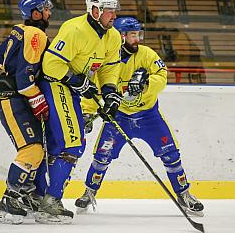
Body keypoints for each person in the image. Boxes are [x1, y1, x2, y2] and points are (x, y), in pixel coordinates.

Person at [75, 17, 204, 217]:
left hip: (149, 117)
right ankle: (89, 191)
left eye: (138, 34)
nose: (137, 39)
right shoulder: (107, 59)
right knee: (101, 157)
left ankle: (184, 193)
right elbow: (97, 90)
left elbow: (162, 76)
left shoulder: (146, 54)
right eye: (133, 35)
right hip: (119, 118)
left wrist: (146, 84)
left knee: (171, 156)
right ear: (121, 36)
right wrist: (87, 113)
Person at [33, 0, 122, 224]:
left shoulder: (113, 36)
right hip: (55, 84)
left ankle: (38, 196)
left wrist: (111, 92)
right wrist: (74, 78)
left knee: (56, 145)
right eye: (109, 10)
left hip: (72, 90)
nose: (114, 14)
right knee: (72, 142)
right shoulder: (74, 29)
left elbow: (109, 68)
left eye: (114, 9)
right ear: (94, 10)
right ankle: (50, 203)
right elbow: (51, 64)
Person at [0, 0, 53, 224]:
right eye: (45, 10)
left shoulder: (18, 30)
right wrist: (38, 99)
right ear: (35, 13)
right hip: (15, 99)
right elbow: (25, 79)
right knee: (33, 150)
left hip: (14, 98)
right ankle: (11, 198)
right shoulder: (35, 34)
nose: (49, 13)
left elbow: (0, 57)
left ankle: (25, 194)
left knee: (37, 149)